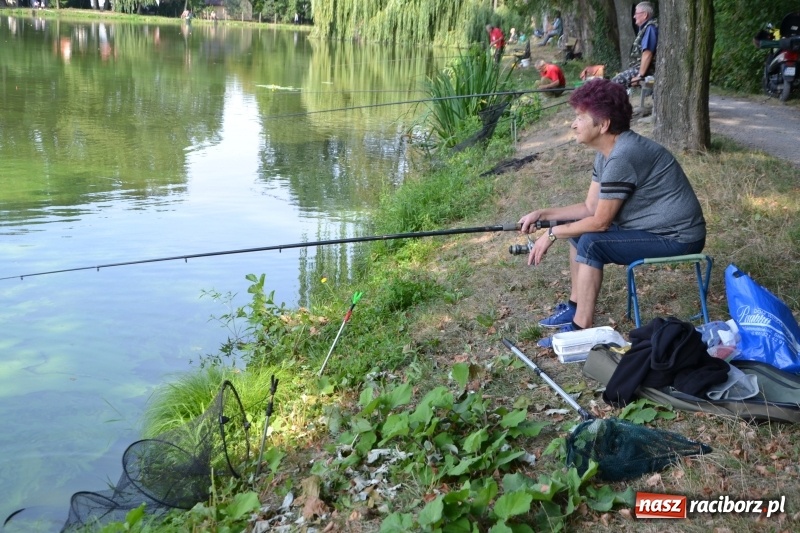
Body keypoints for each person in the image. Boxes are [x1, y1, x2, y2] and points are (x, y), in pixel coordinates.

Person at [517, 79, 706, 348]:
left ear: (603, 124)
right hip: (654, 230)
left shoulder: (623, 155)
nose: (573, 124)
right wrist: (542, 213)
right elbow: (589, 209)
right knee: (578, 229)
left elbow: (601, 222)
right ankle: (575, 305)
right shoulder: (607, 152)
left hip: (678, 237)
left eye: (580, 118)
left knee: (592, 241)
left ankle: (580, 329)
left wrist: (551, 233)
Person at [612, 2, 657, 88]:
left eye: (636, 13)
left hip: (647, 71)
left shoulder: (650, 28)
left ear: (645, 15)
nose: (634, 16)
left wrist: (640, 76)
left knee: (614, 83)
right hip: (641, 69)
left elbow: (647, 53)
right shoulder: (646, 28)